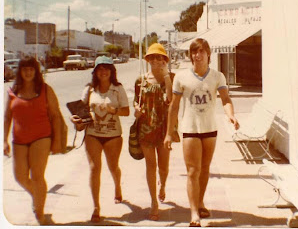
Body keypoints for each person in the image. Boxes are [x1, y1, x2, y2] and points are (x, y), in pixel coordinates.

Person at [164, 38, 239, 227]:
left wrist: (231, 115)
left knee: (205, 169)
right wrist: (169, 133)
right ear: (191, 55)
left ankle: (200, 201)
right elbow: (174, 107)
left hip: (210, 130)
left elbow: (226, 99)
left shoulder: (217, 76)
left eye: (201, 52)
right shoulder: (181, 77)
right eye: (194, 52)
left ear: (208, 54)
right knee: (192, 171)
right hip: (190, 130)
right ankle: (194, 213)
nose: (197, 56)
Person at [70, 56, 130, 223]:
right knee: (94, 168)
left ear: (112, 71)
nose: (103, 72)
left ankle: (117, 186)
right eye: (100, 69)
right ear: (95, 72)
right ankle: (96, 207)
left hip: (113, 135)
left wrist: (113, 110)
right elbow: (79, 112)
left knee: (113, 167)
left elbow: (126, 111)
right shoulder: (89, 90)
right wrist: (75, 120)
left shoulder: (118, 89)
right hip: (92, 134)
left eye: (106, 68)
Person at [3, 56, 62, 225]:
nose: (28, 72)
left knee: (37, 177)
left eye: (31, 69)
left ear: (36, 71)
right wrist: (4, 141)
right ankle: (37, 197)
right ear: (20, 72)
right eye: (24, 69)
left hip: (41, 138)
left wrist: (57, 141)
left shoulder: (45, 89)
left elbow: (55, 116)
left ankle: (40, 212)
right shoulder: (12, 92)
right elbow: (7, 117)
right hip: (19, 140)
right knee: (20, 177)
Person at [133, 43, 174, 221]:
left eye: (160, 57)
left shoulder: (171, 77)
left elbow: (171, 99)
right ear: (148, 59)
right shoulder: (140, 80)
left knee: (163, 167)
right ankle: (153, 202)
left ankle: (162, 185)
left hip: (164, 128)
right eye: (153, 57)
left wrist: (166, 77)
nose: (156, 60)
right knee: (151, 165)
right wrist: (136, 109)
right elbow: (137, 101)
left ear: (165, 60)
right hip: (146, 127)